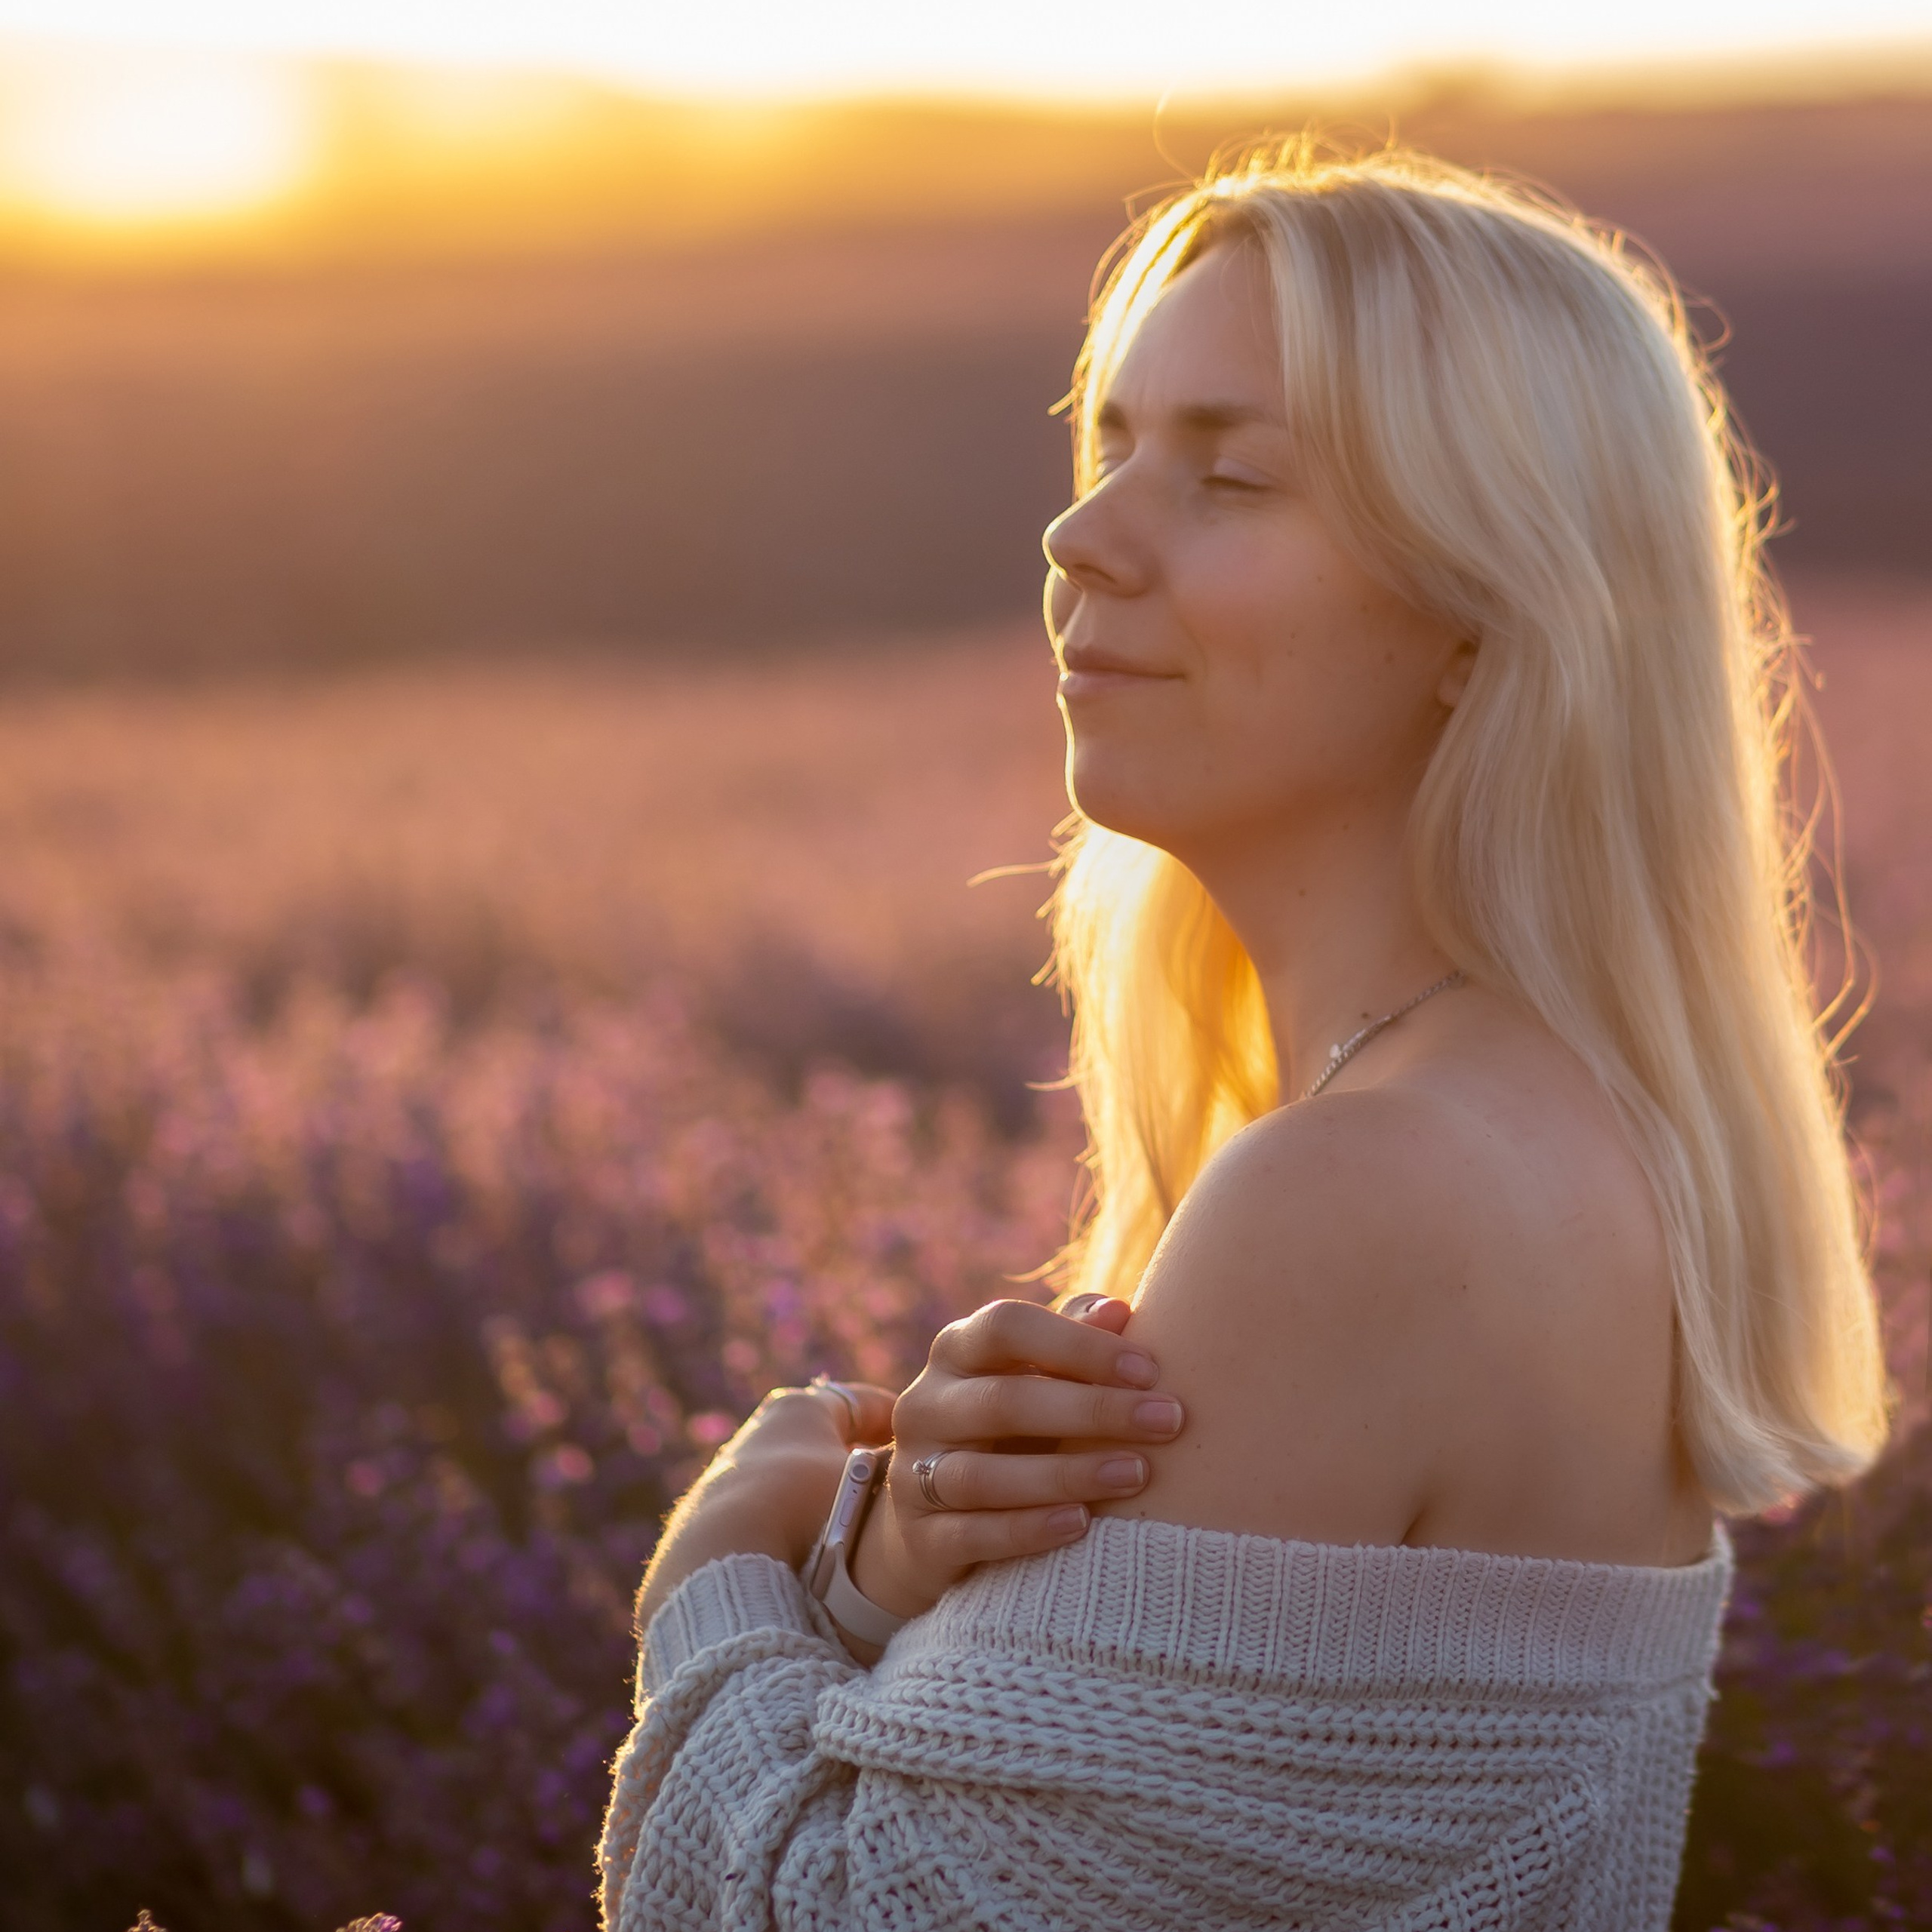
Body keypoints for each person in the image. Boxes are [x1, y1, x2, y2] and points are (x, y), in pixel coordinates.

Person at [598, 143, 1890, 1930]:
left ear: (1475, 605)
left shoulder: (1368, 1191)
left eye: (1227, 476)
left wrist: (726, 1559)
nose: (1079, 536)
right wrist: (891, 1554)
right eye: (1112, 444)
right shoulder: (1540, 1120)